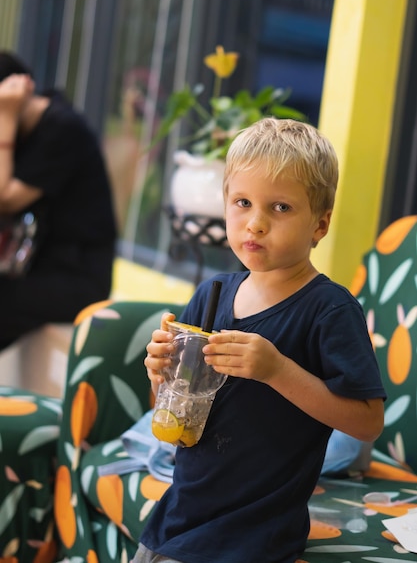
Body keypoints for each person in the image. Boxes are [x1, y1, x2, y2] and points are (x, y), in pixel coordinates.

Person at [135, 117, 386, 563]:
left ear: (320, 224)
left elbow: (366, 422)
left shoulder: (329, 310)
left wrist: (278, 371)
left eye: (281, 208)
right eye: (243, 202)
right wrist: (160, 374)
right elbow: (176, 415)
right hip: (179, 516)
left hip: (253, 536)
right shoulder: (211, 296)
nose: (255, 223)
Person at [0, 50, 117, 349]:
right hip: (36, 270)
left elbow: (4, 199)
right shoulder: (27, 132)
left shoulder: (62, 128)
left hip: (77, 278)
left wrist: (5, 116)